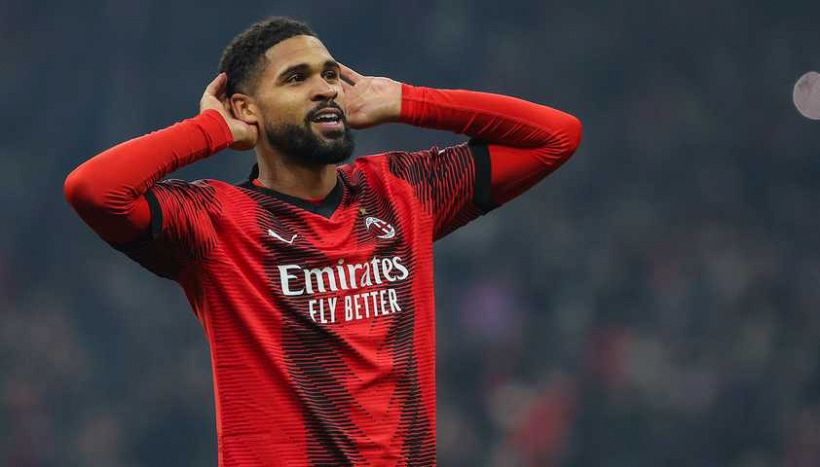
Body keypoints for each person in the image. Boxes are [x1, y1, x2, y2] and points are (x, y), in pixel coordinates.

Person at [63, 16, 582, 466]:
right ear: (246, 108)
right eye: (297, 78)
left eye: (330, 74)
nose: (326, 89)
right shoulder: (213, 221)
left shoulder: (403, 189)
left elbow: (556, 136)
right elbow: (94, 189)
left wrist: (406, 100)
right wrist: (211, 130)